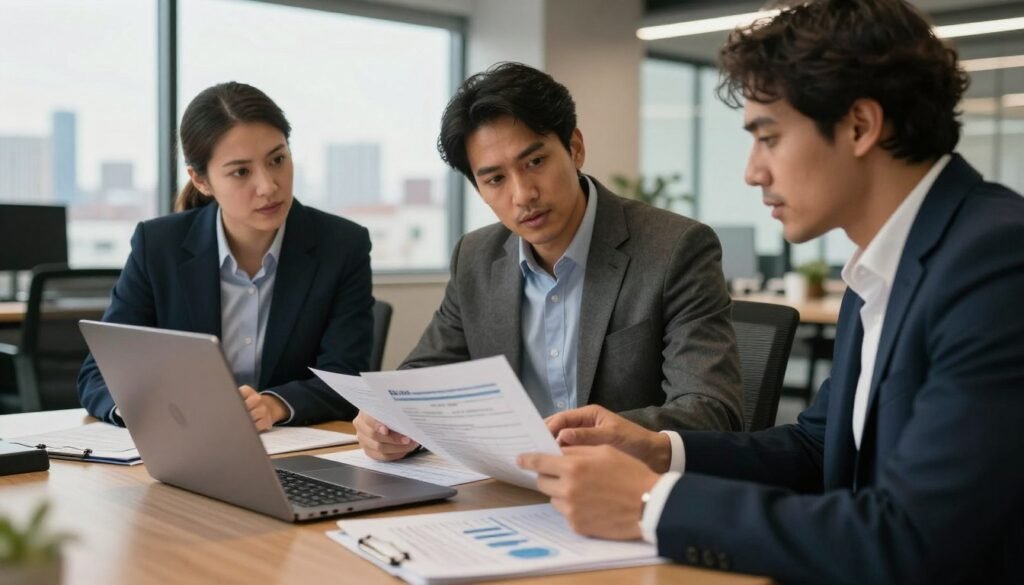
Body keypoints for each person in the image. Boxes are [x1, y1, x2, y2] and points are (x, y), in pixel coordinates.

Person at [517, 1, 1024, 583]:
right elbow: (819, 450)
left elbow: (915, 539)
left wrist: (648, 505)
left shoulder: (996, 261)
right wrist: (659, 451)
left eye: (769, 137)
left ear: (860, 125)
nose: (752, 172)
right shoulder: (885, 262)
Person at [354, 62, 744, 461]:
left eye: (534, 162)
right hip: (508, 487)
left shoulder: (674, 248)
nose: (522, 195)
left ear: (575, 148)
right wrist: (387, 419)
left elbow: (711, 410)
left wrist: (580, 440)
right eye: (495, 180)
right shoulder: (474, 257)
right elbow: (421, 378)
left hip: (624, 490)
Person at [78, 82, 373, 430]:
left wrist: (274, 405)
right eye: (241, 172)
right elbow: (99, 373)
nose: (268, 186)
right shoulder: (158, 245)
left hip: (294, 450)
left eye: (277, 159)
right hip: (187, 444)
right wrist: (143, 410)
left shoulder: (342, 245)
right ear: (201, 180)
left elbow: (346, 376)